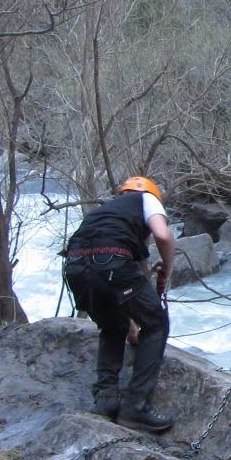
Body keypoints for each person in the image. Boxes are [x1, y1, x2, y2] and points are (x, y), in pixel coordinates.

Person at [62, 176, 175, 433]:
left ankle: (106, 400)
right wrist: (167, 267)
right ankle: (136, 407)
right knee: (156, 324)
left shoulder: (106, 211)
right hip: (111, 263)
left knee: (113, 327)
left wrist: (131, 326)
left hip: (76, 267)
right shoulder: (148, 199)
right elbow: (163, 234)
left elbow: (119, 287)